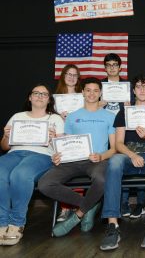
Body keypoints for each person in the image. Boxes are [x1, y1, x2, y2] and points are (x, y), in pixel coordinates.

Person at [38, 77, 116, 237]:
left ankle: (78, 215)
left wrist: (101, 156)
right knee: (44, 184)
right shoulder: (72, 116)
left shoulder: (110, 116)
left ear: (100, 93)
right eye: (88, 90)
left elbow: (115, 148)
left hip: (96, 161)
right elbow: (65, 143)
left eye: (95, 90)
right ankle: (89, 205)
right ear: (82, 92)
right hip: (71, 161)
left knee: (101, 180)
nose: (92, 94)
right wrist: (57, 155)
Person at [100, 74, 145, 250]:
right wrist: (132, 155)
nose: (142, 90)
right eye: (138, 87)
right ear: (134, 90)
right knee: (114, 162)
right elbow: (118, 144)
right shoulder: (124, 112)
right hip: (128, 155)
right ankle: (112, 224)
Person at [0, 84, 64, 245]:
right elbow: (4, 146)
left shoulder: (55, 119)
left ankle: (16, 223)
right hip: (14, 153)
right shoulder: (17, 116)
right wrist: (7, 136)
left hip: (41, 155)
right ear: (30, 97)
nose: (40, 96)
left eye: (44, 94)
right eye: (36, 93)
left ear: (49, 100)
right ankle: (2, 222)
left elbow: (61, 148)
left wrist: (54, 138)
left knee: (20, 174)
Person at [99, 53, 133, 217]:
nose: (112, 67)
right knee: (107, 167)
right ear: (105, 68)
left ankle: (124, 202)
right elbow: (90, 108)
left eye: (115, 65)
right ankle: (107, 201)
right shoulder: (98, 87)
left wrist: (129, 105)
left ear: (120, 67)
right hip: (104, 130)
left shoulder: (127, 86)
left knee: (121, 164)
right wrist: (98, 104)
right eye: (108, 65)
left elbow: (137, 109)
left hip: (122, 130)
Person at [54, 64, 84, 223]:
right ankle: (65, 208)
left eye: (75, 75)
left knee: (80, 171)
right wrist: (60, 117)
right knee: (64, 171)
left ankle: (80, 207)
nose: (72, 77)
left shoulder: (84, 96)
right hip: (62, 137)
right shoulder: (55, 98)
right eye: (68, 74)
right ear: (63, 76)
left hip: (80, 137)